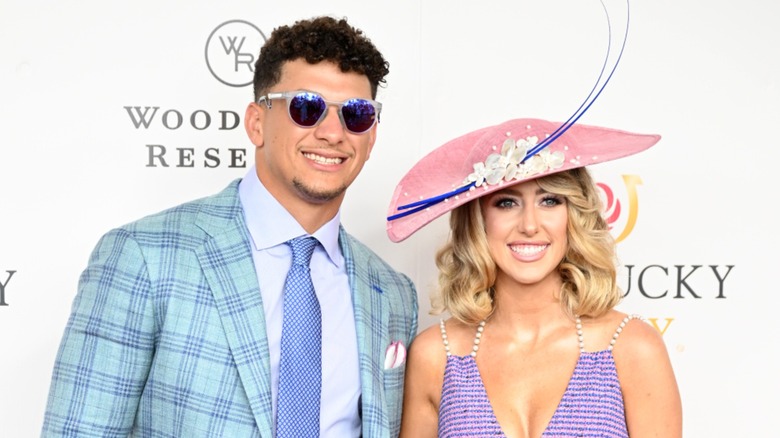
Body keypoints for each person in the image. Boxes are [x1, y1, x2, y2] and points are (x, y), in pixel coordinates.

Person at [42, 16, 418, 437]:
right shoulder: (143, 257)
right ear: (257, 123)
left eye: (356, 114)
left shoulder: (393, 294)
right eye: (306, 107)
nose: (333, 133)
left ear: (371, 137)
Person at [386, 118, 682, 437]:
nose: (529, 224)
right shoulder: (436, 355)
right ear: (479, 219)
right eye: (507, 202)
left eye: (549, 200)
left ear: (574, 215)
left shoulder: (632, 347)